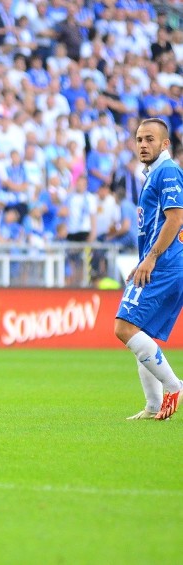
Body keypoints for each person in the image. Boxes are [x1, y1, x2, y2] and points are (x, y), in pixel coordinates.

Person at [114, 119, 183, 421]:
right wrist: (144, 260)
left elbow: (176, 218)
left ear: (165, 144)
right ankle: (153, 406)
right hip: (159, 263)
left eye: (150, 139)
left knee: (124, 328)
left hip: (166, 265)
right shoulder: (153, 174)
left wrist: (152, 257)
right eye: (139, 139)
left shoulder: (167, 171)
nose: (143, 145)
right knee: (140, 331)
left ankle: (174, 386)